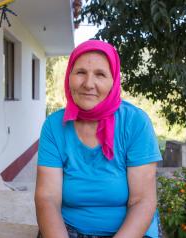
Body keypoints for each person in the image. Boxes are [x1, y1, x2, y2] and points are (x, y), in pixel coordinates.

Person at [35, 40, 162, 238]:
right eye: (80, 72)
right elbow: (47, 198)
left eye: (100, 74)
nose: (88, 84)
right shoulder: (54, 126)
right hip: (68, 230)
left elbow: (142, 201)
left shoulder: (135, 123)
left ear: (114, 81)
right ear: (69, 76)